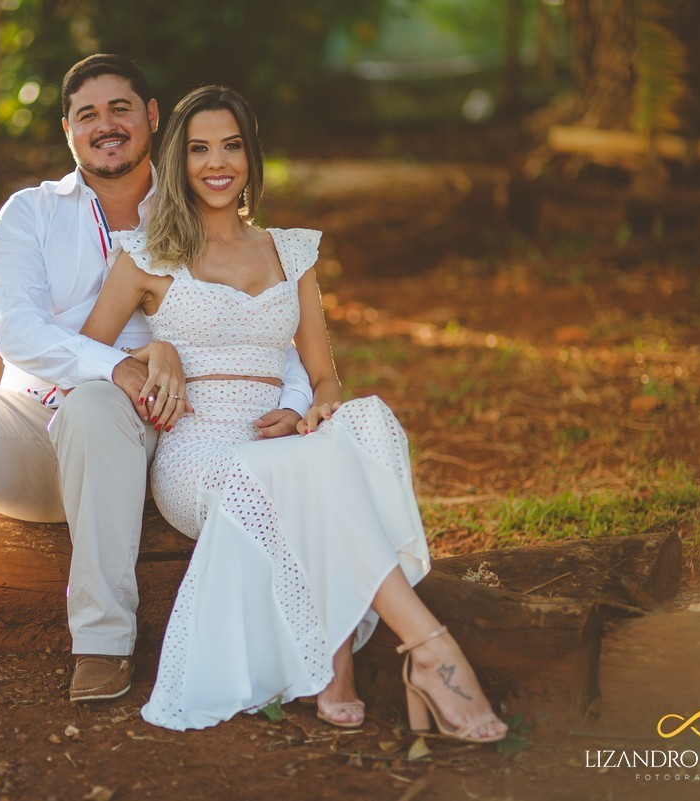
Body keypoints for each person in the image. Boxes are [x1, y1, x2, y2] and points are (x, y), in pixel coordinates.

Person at [0, 56, 315, 704]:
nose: (106, 125)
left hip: (143, 426)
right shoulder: (30, 213)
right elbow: (15, 329)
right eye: (87, 114)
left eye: (120, 108)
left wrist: (297, 396)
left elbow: (261, 321)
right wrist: (114, 365)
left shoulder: (195, 212)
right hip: (35, 419)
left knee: (98, 408)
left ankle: (102, 643)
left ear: (152, 117)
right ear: (67, 128)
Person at [80, 85, 508, 740]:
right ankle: (426, 649)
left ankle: (349, 654)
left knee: (356, 427)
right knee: (297, 477)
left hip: (281, 435)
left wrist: (310, 410)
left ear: (251, 157)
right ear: (178, 161)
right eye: (198, 148)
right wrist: (155, 349)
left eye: (230, 146)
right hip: (199, 449)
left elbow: (324, 374)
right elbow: (86, 355)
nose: (216, 163)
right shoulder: (145, 255)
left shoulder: (291, 250)